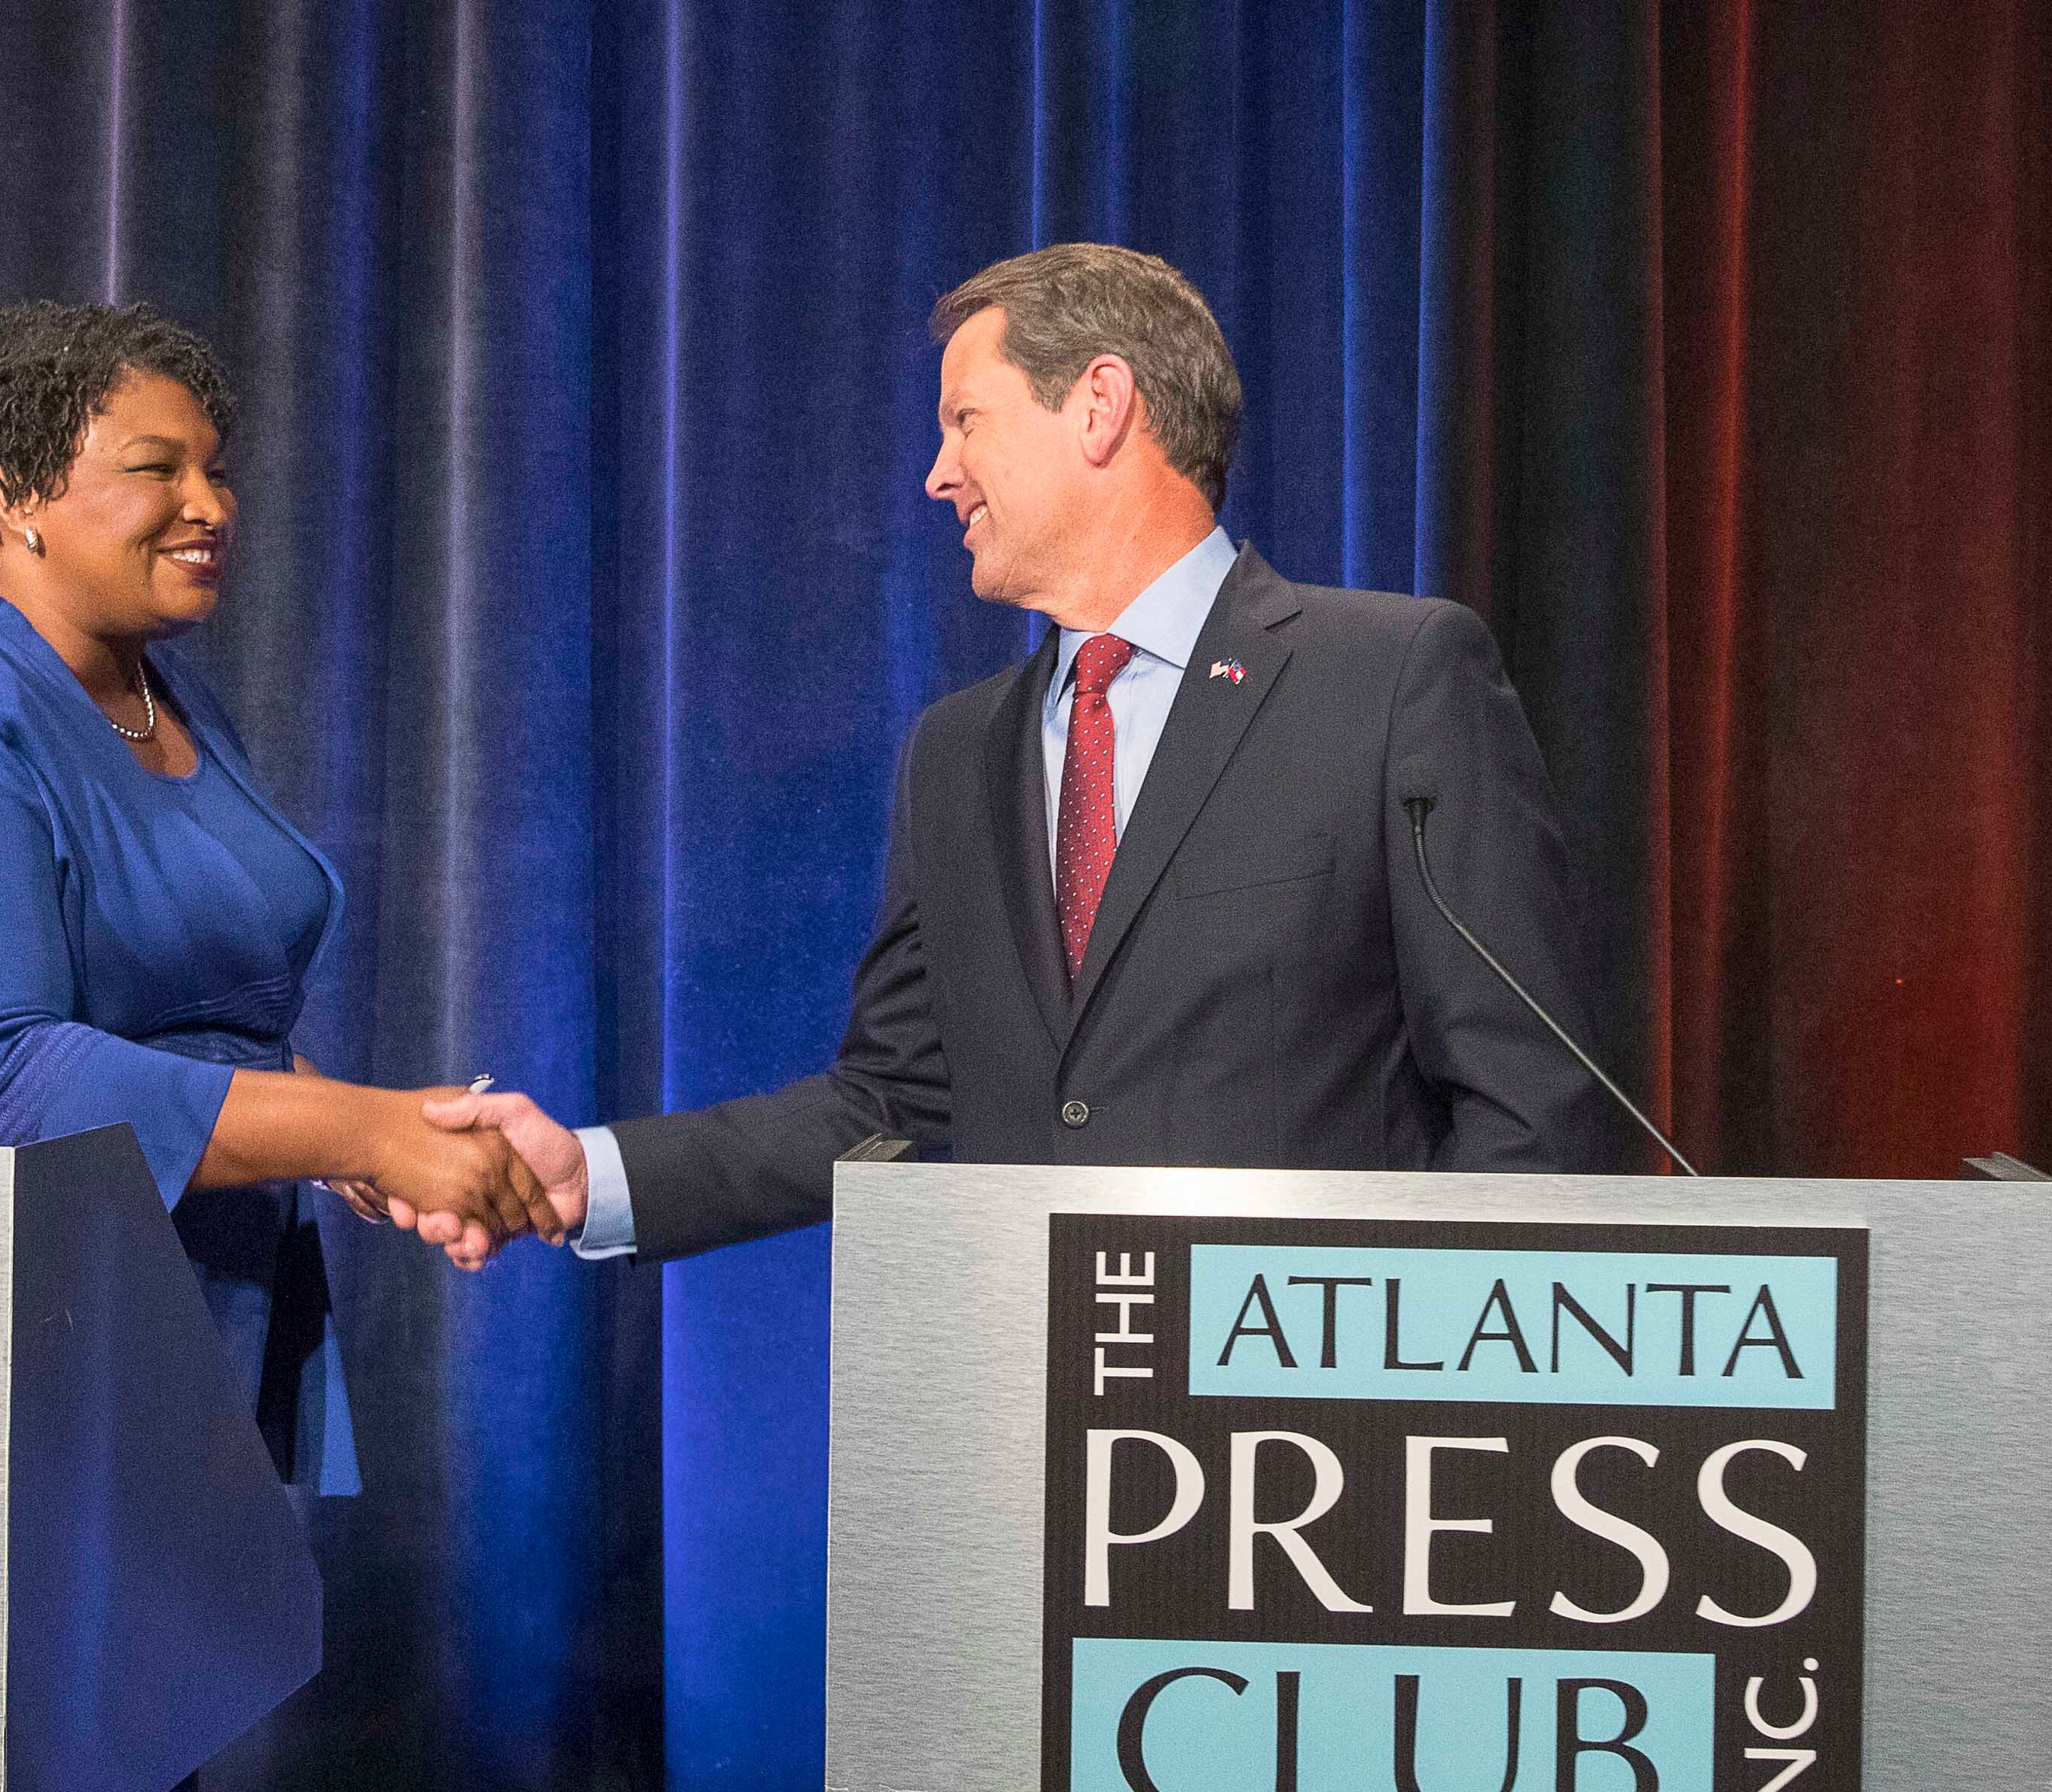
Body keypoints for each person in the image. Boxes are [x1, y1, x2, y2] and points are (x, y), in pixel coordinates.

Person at [428, 243, 1617, 1264]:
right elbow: (891, 1106)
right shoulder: (957, 753)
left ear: (1098, 405)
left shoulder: (1391, 676)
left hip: (1311, 1446)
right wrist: (592, 1176)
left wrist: (1428, 1379)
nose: (937, 474)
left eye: (965, 420)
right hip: (1038, 1432)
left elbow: (1530, 1101)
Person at [0, 297, 563, 1435]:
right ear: (18, 496)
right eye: (158, 469)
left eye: (217, 472)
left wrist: (381, 1124)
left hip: (167, 1301)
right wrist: (358, 1133)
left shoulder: (160, 694)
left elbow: (173, 1012)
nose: (210, 507)